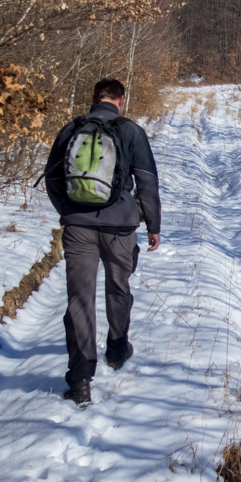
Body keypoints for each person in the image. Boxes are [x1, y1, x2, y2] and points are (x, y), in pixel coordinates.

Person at [44, 78, 161, 406]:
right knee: (118, 287)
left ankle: (80, 380)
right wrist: (153, 224)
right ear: (121, 100)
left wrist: (68, 211)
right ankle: (116, 347)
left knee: (79, 300)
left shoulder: (71, 129)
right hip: (120, 226)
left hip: (78, 227)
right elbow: (147, 181)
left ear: (94, 98)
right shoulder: (130, 131)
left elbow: (53, 178)